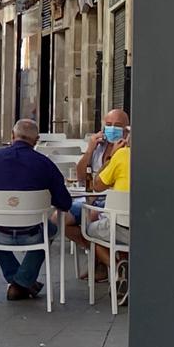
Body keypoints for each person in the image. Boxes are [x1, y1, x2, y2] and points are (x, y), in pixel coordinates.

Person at [0, 119, 71, 300]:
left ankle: (17, 280)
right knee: (50, 230)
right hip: (32, 233)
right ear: (36, 140)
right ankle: (22, 281)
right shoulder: (45, 164)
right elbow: (65, 203)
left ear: (11, 136)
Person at [63, 109, 130, 281]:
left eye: (117, 126)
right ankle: (102, 259)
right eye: (108, 125)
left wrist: (113, 156)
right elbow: (80, 176)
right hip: (91, 198)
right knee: (60, 219)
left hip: (110, 202)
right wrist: (90, 150)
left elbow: (98, 184)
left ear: (126, 129)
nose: (112, 129)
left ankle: (108, 265)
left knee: (92, 218)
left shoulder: (125, 151)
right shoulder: (98, 146)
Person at [86, 131, 131, 301]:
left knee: (88, 230)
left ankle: (117, 267)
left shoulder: (121, 155)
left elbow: (97, 186)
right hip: (153, 230)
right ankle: (125, 268)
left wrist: (111, 156)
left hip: (119, 228)